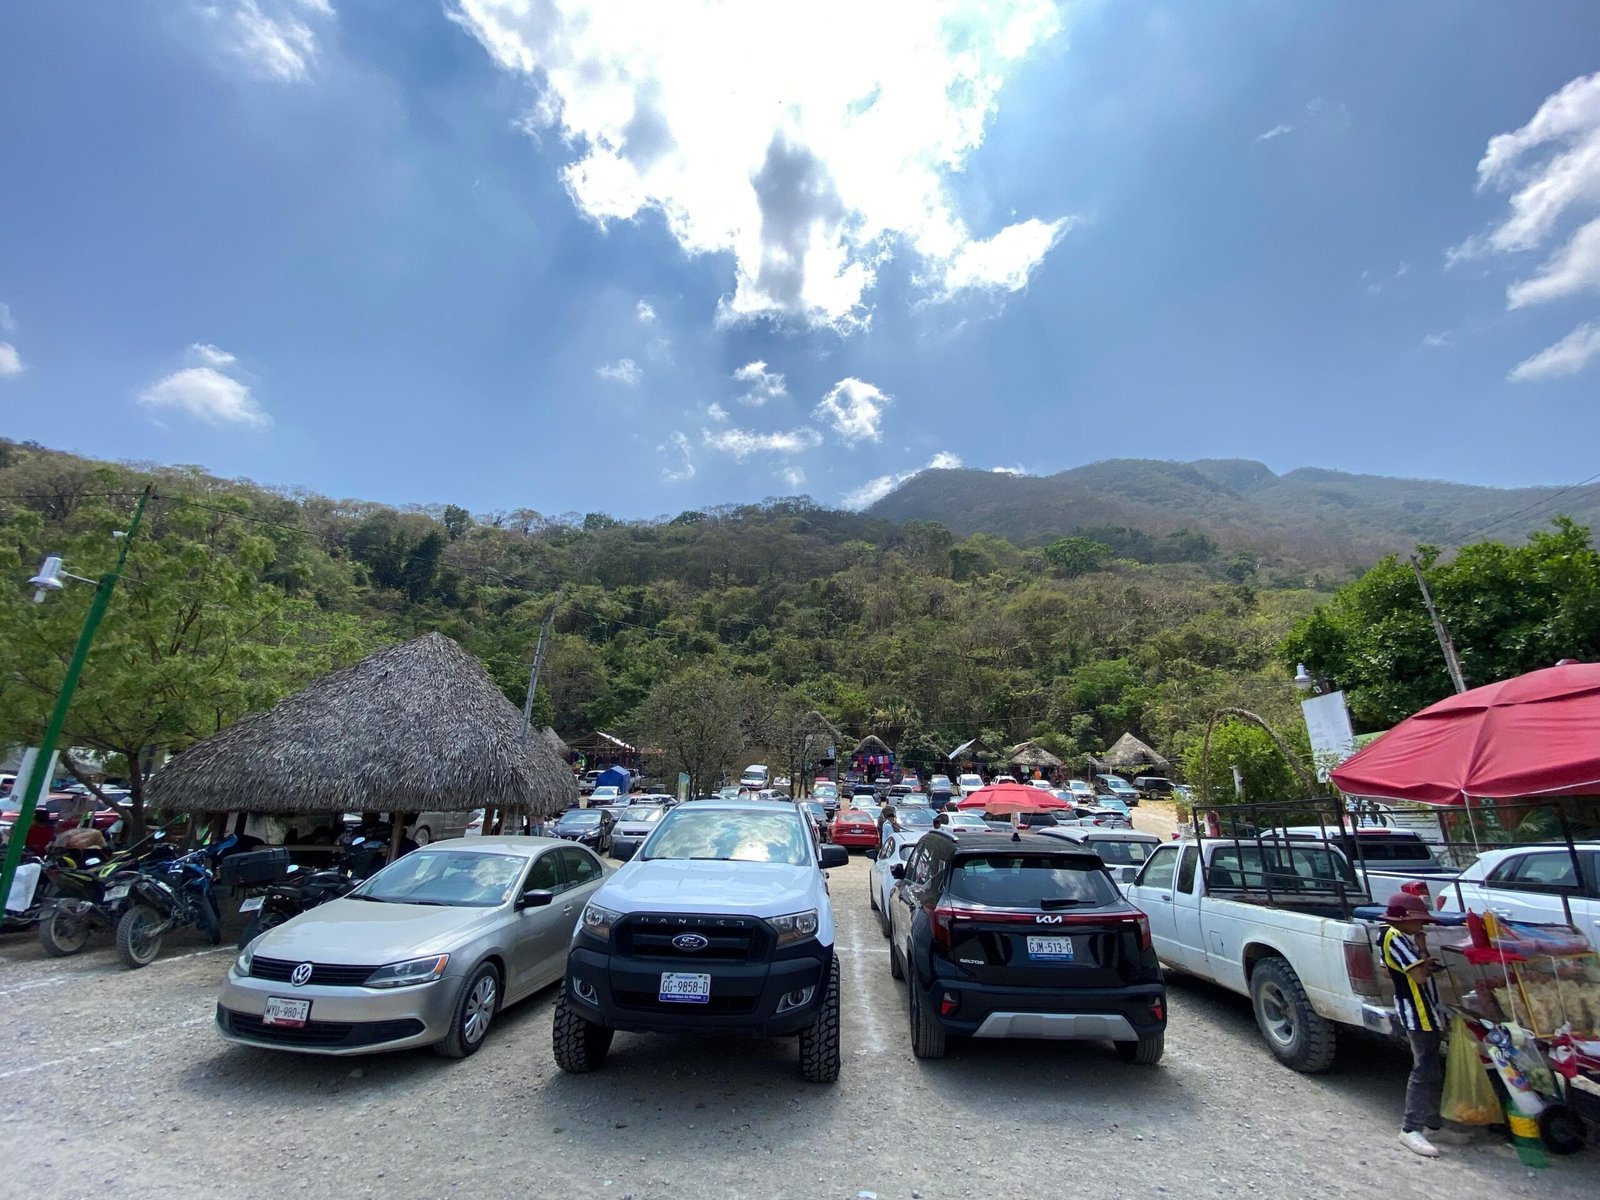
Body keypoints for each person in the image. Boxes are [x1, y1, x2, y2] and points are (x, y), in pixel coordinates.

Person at [1381, 891, 1447, 1157]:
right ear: (1404, 919)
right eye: (1418, 920)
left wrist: (1420, 952)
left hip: (1423, 1009)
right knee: (1423, 1069)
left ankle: (1432, 1122)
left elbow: (1387, 970)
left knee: (1432, 1067)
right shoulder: (1395, 938)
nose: (1421, 925)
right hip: (1417, 1010)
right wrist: (1423, 957)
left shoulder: (1387, 936)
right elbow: (1419, 977)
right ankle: (1410, 1128)